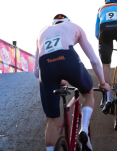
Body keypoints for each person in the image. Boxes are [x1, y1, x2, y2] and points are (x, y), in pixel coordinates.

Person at [34, 14, 110, 151]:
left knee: (51, 120)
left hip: (46, 65)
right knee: (87, 92)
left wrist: (59, 79)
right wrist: (103, 83)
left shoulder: (42, 32)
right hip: (68, 59)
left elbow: (36, 72)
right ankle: (84, 130)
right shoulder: (74, 27)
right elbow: (94, 60)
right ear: (67, 22)